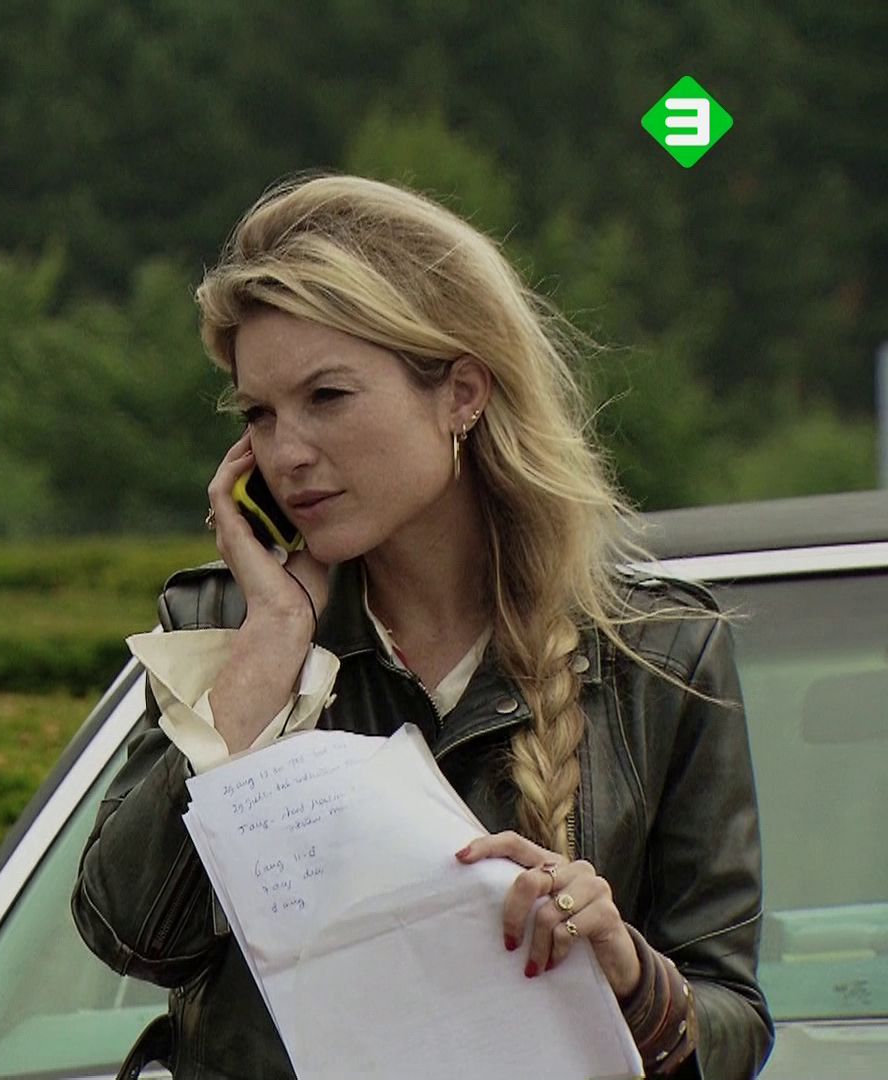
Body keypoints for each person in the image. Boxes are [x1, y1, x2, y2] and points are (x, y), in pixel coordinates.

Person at [72, 173, 771, 1079]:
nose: (287, 452)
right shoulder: (225, 628)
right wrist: (268, 650)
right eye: (258, 415)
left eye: (327, 396)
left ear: (461, 393)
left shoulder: (660, 654)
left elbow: (734, 1022)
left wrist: (629, 973)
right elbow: (130, 935)